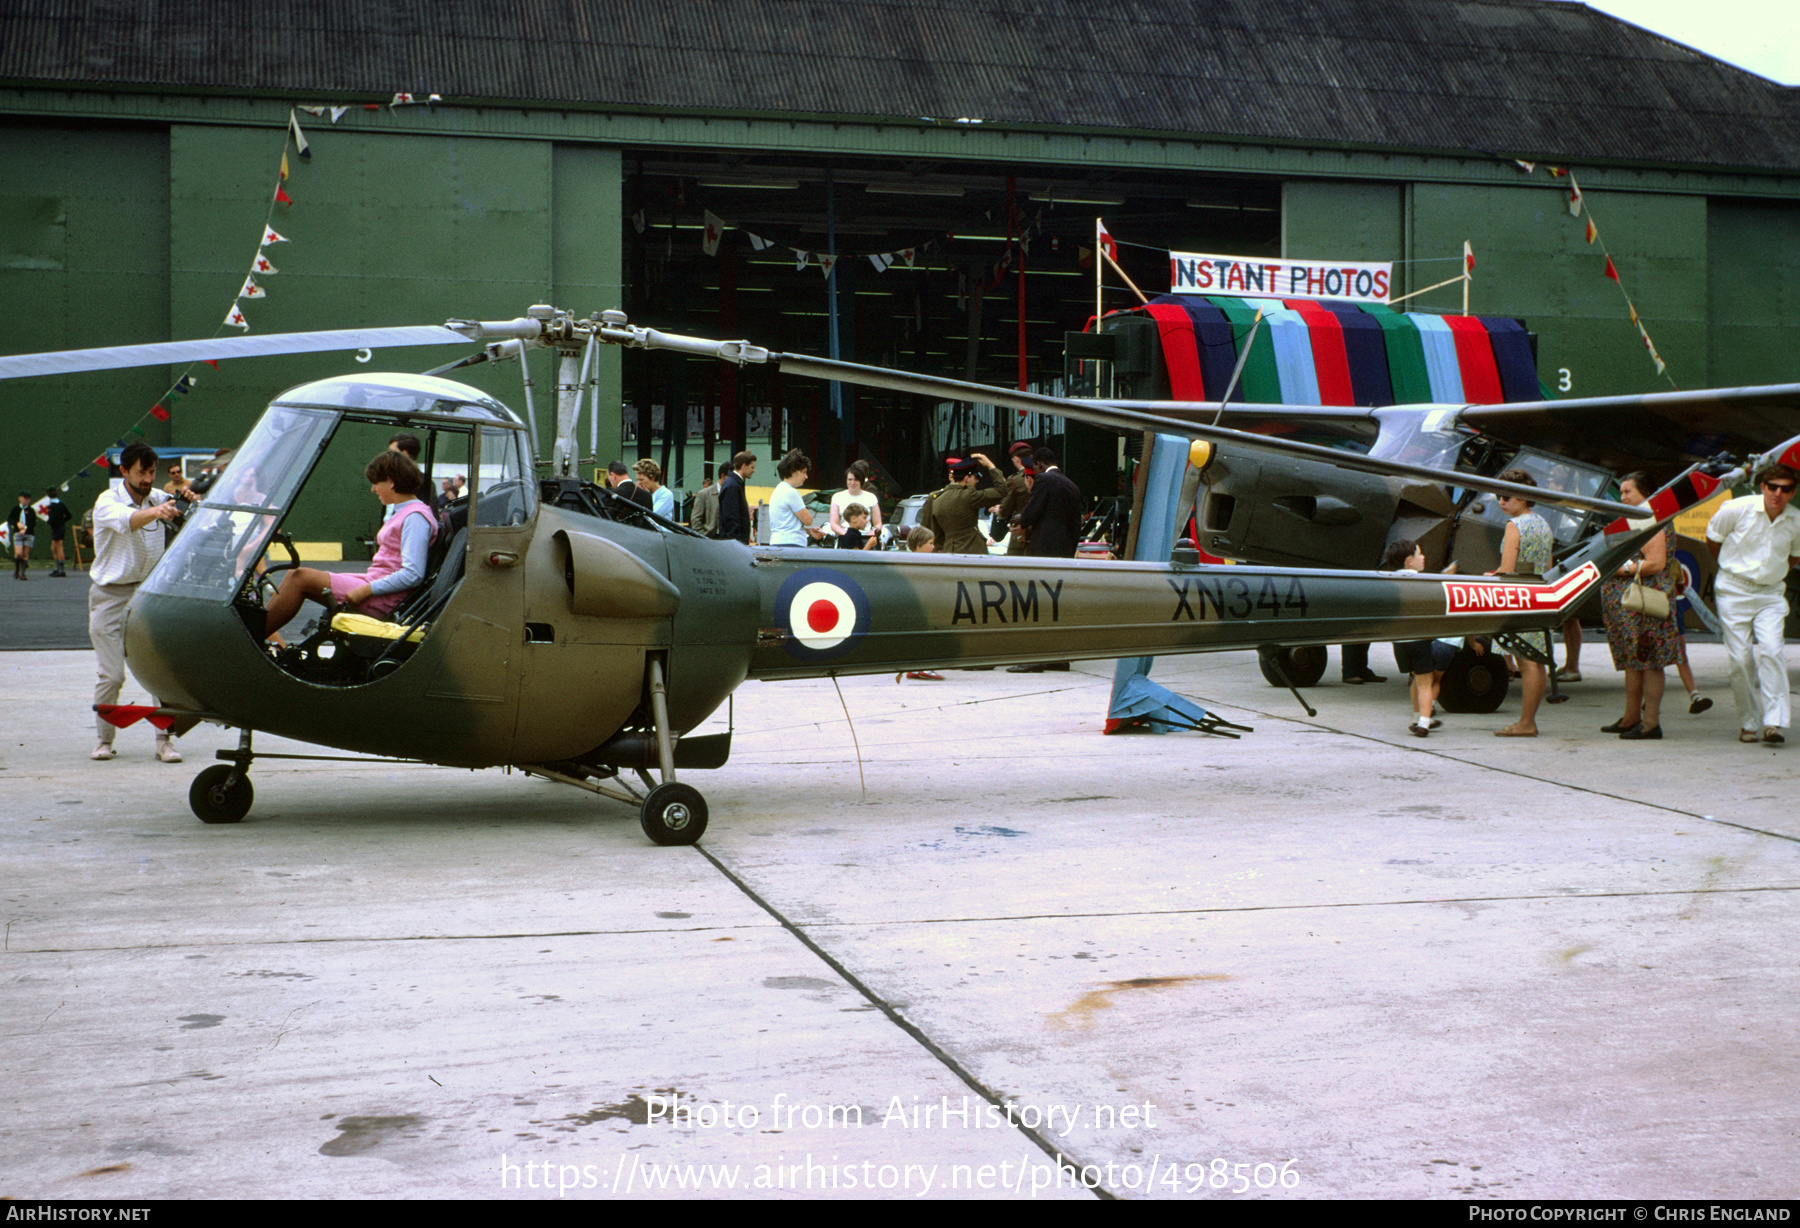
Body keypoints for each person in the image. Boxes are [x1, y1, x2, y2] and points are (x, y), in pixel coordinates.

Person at [89, 441, 196, 761]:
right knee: (112, 675)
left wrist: (191, 499)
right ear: (124, 471)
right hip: (109, 595)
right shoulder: (107, 502)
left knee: (160, 673)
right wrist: (158, 511)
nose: (148, 478)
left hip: (147, 595)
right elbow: (132, 521)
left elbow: (188, 509)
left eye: (152, 472)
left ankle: (165, 741)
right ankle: (103, 740)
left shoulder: (159, 497)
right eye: (141, 472)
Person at [262, 451, 437, 639]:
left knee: (299, 577)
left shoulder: (415, 517)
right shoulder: (407, 512)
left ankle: (255, 635)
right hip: (376, 585)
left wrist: (365, 590)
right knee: (296, 576)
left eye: (376, 483)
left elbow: (413, 574)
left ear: (391, 481)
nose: (373, 489)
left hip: (382, 597)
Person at [1705, 462, 1800, 745]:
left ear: (1793, 493)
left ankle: (1773, 723)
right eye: (1773, 487)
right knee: (1741, 660)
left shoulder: (1796, 521)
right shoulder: (1738, 508)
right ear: (1762, 487)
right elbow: (1713, 539)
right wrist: (1731, 567)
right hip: (1733, 590)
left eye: (1785, 489)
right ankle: (1748, 723)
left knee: (1772, 650)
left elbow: (1794, 557)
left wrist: (1773, 573)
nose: (1778, 494)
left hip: (1770, 593)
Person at [1599, 472, 1680, 740]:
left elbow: (1655, 562)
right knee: (1633, 660)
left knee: (1650, 659)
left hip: (1645, 602)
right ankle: (1631, 717)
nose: (1622, 498)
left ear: (1645, 494)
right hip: (1631, 604)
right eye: (1621, 492)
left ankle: (1650, 723)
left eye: (1627, 492)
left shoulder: (1652, 520)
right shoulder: (1637, 519)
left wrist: (1619, 569)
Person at [1491, 469, 1553, 737]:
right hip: (1538, 596)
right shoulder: (1542, 524)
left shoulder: (1514, 526)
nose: (1502, 501)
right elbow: (1547, 566)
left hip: (1517, 598)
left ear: (1524, 497)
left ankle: (1526, 723)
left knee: (1526, 663)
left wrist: (1492, 576)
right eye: (1499, 496)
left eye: (1506, 496)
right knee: (1535, 663)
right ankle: (1529, 720)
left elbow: (1507, 570)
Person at [1381, 538, 1456, 737]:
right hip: (1418, 639)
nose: (1423, 557)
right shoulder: (1421, 581)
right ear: (1409, 561)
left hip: (1399, 641)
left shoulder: (1388, 580)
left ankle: (1416, 716)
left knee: (1416, 678)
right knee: (1425, 683)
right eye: (1419, 554)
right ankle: (1424, 722)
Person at [924, 454, 1005, 554]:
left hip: (949, 552)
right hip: (972, 552)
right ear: (967, 478)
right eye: (975, 477)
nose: (977, 481)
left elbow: (933, 532)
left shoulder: (937, 499)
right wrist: (989, 465)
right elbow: (1002, 490)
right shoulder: (970, 496)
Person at [1020, 447, 1083, 559]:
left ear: (1039, 464)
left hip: (1043, 549)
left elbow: (1031, 512)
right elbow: (1076, 524)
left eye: (1035, 467)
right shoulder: (1073, 487)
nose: (1035, 472)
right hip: (1066, 551)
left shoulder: (1043, 479)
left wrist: (1021, 518)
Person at [769, 450, 823, 546]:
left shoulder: (778, 490)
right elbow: (808, 520)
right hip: (792, 544)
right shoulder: (791, 492)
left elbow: (786, 525)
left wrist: (808, 531)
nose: (806, 477)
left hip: (777, 542)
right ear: (792, 471)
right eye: (803, 472)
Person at [829, 462, 882, 539]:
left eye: (856, 480)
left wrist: (869, 536)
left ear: (861, 481)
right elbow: (834, 524)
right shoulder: (837, 497)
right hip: (845, 537)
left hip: (866, 538)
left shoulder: (871, 497)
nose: (852, 483)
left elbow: (878, 524)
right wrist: (847, 535)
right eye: (850, 479)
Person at [718, 451, 756, 545]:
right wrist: (736, 543)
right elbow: (731, 518)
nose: (754, 470)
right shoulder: (733, 485)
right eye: (752, 467)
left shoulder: (733, 483)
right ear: (743, 466)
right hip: (734, 544)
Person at [43, 488, 71, 576]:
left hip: (57, 528)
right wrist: (62, 521)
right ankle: (57, 568)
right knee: (54, 548)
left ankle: (61, 570)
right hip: (59, 527)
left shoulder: (52, 506)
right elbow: (69, 516)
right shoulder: (61, 504)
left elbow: (52, 518)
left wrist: (51, 522)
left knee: (59, 547)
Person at [8, 491, 35, 581]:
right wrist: (17, 524)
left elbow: (33, 523)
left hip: (29, 534)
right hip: (18, 534)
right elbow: (10, 520)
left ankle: (23, 573)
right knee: (19, 553)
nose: (26, 500)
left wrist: (25, 529)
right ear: (20, 498)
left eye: (28, 498)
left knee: (25, 554)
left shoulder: (31, 511)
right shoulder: (15, 509)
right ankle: (17, 569)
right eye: (24, 498)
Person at [689, 469, 720, 537]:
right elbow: (696, 518)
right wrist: (702, 534)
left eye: (706, 487)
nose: (704, 489)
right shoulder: (701, 495)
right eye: (704, 487)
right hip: (706, 535)